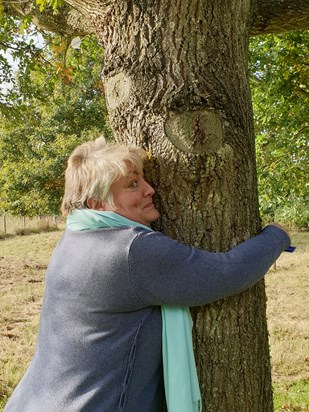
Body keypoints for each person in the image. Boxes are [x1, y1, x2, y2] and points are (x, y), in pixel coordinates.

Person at [4, 137, 291, 412]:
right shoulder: (132, 250)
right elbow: (225, 273)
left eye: (142, 178)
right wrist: (276, 236)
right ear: (97, 203)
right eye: (132, 185)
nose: (150, 189)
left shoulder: (74, 240)